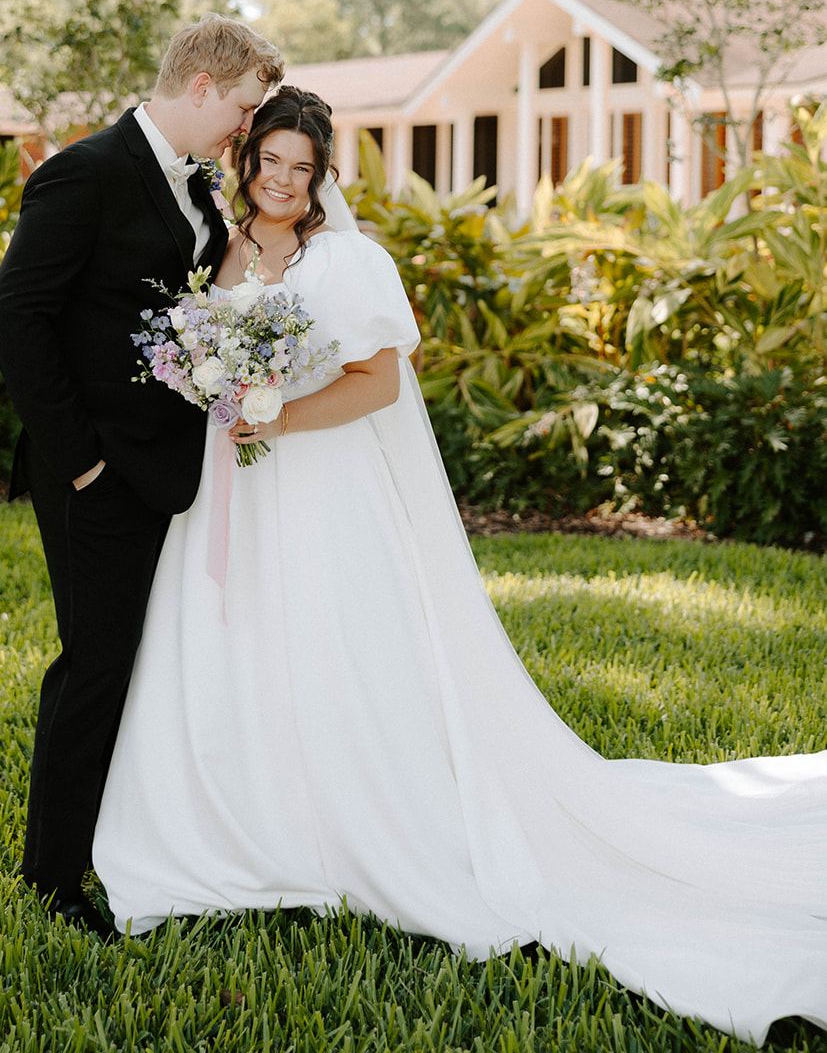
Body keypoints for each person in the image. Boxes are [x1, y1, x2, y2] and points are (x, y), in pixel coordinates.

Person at [92, 86, 827, 1046]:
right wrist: (216, 394)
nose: (280, 180)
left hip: (321, 487)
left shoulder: (346, 259)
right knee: (238, 646)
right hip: (236, 489)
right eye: (268, 161)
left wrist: (271, 414)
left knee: (333, 644)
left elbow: (379, 381)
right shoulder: (221, 253)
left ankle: (364, 826)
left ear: (319, 177)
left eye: (299, 168)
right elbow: (201, 354)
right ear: (248, 162)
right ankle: (251, 828)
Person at [0, 16, 284, 937]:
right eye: (240, 109)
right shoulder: (85, 170)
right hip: (95, 475)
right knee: (96, 666)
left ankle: (143, 842)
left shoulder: (192, 183)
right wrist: (80, 462)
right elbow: (16, 317)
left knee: (147, 665)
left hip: (166, 469)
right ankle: (52, 876)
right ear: (199, 84)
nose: (242, 130)